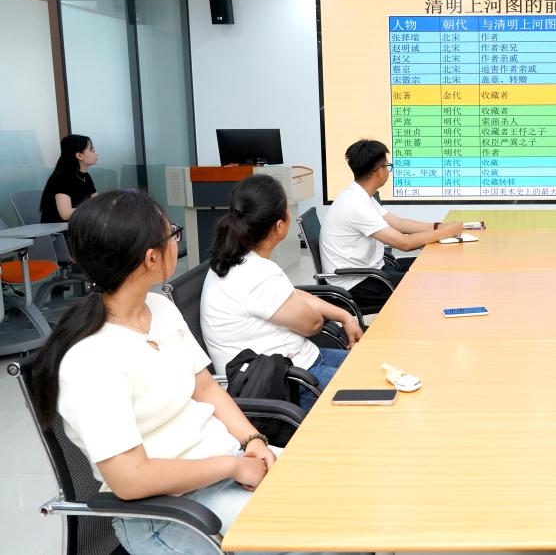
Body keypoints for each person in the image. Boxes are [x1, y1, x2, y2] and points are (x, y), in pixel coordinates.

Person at [30, 190, 334, 555]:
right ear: (151, 257)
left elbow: (206, 389)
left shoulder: (158, 307)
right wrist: (232, 467)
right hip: (169, 513)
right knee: (323, 533)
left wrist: (253, 441)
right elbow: (131, 479)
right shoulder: (89, 358)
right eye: (172, 233)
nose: (177, 240)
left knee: (340, 494)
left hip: (224, 467)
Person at [202, 174, 362, 412]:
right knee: (376, 386)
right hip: (285, 383)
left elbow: (292, 296)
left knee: (370, 364)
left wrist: (344, 315)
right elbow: (313, 324)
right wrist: (323, 315)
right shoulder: (257, 274)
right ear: (279, 226)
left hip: (299, 363)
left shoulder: (239, 259)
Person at [321, 139, 462, 310]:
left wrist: (438, 226)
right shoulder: (355, 204)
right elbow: (404, 243)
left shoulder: (360, 195)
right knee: (431, 281)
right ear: (379, 171)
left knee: (431, 264)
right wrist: (446, 232)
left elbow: (399, 223)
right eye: (388, 166)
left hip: (372, 271)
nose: (389, 171)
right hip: (357, 284)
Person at [39, 133, 98, 223]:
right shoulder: (62, 178)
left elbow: (97, 203)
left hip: (77, 224)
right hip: (58, 229)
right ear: (79, 156)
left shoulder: (85, 176)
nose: (96, 154)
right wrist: (91, 209)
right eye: (92, 150)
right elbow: (65, 214)